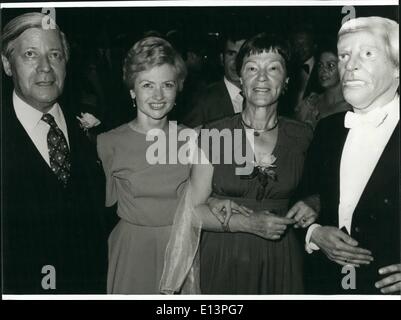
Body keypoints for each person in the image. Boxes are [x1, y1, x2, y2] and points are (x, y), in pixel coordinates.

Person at [162, 33, 318, 294]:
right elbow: (191, 212)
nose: (261, 78)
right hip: (223, 258)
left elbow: (318, 193)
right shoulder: (213, 134)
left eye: (273, 68)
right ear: (240, 78)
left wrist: (313, 204)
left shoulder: (303, 135)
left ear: (287, 79)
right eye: (252, 68)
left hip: (282, 261)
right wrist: (248, 223)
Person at [1, 12, 108, 293]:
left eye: (55, 55)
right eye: (30, 55)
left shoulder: (96, 133)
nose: (46, 68)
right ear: (7, 64)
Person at [303, 17, 400, 294]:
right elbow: (303, 198)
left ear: (397, 67)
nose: (350, 65)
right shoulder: (327, 130)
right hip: (325, 284)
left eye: (367, 53)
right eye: (345, 55)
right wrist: (314, 233)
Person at [97, 36, 193, 294]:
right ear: (132, 90)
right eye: (147, 85)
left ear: (178, 89)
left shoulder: (193, 139)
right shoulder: (107, 143)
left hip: (181, 248)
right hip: (131, 251)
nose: (158, 95)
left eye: (167, 85)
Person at [182, 30, 249, 128]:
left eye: (242, 55)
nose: (236, 62)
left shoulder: (260, 97)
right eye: (231, 54)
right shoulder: (203, 101)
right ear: (222, 58)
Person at [294, 41, 352, 129]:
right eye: (320, 65)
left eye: (330, 65)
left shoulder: (350, 108)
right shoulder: (310, 103)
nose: (323, 70)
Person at [282, 24, 321, 117]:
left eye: (304, 44)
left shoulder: (322, 70)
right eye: (296, 45)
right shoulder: (287, 69)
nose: (300, 49)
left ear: (314, 46)